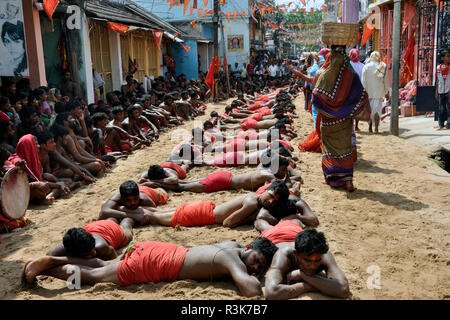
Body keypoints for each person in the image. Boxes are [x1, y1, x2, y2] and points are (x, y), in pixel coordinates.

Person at [22, 237, 278, 297]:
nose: (255, 268)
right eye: (256, 261)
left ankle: (52, 263)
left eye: (259, 267)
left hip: (161, 250)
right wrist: (262, 279)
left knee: (103, 264)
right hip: (158, 263)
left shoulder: (232, 245)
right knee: (93, 276)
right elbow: (252, 292)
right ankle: (50, 265)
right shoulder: (233, 261)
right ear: (248, 249)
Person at [100, 180, 289, 229]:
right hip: (203, 215)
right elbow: (228, 223)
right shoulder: (252, 202)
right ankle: (122, 211)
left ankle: (121, 208)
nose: (270, 201)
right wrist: (248, 219)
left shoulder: (252, 198)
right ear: (265, 189)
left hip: (203, 208)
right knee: (150, 217)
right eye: (271, 196)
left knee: (156, 212)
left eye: (274, 201)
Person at [264, 229, 350, 299]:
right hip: (274, 235)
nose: (313, 266)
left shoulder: (324, 255)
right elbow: (271, 293)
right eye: (307, 260)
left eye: (317, 261)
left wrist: (302, 275)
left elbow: (344, 290)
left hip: (294, 230)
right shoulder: (283, 255)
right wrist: (306, 287)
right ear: (296, 254)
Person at [145, 156, 290, 193]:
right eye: (283, 169)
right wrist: (286, 178)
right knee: (182, 187)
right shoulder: (269, 176)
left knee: (186, 184)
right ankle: (158, 183)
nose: (283, 172)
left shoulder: (264, 169)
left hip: (225, 176)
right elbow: (281, 186)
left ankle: (158, 181)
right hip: (223, 182)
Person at [99, 180, 167, 223]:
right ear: (122, 199)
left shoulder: (144, 200)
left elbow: (153, 210)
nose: (133, 203)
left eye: (135, 199)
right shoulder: (118, 196)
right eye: (128, 200)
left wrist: (119, 210)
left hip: (155, 193)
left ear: (138, 197)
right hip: (141, 189)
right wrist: (131, 215)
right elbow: (104, 211)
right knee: (104, 204)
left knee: (161, 190)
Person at [362, 51, 390, 134]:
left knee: (370, 110)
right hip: (379, 92)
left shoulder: (366, 67)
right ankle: (376, 129)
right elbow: (386, 81)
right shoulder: (382, 66)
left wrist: (364, 92)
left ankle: (370, 128)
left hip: (368, 92)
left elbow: (363, 81)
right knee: (377, 111)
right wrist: (387, 92)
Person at [435, 49, 450, 130]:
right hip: (441, 91)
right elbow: (438, 81)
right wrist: (436, 92)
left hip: (448, 91)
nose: (449, 58)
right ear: (443, 58)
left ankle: (448, 124)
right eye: (447, 56)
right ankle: (441, 124)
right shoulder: (438, 68)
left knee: (448, 108)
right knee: (441, 108)